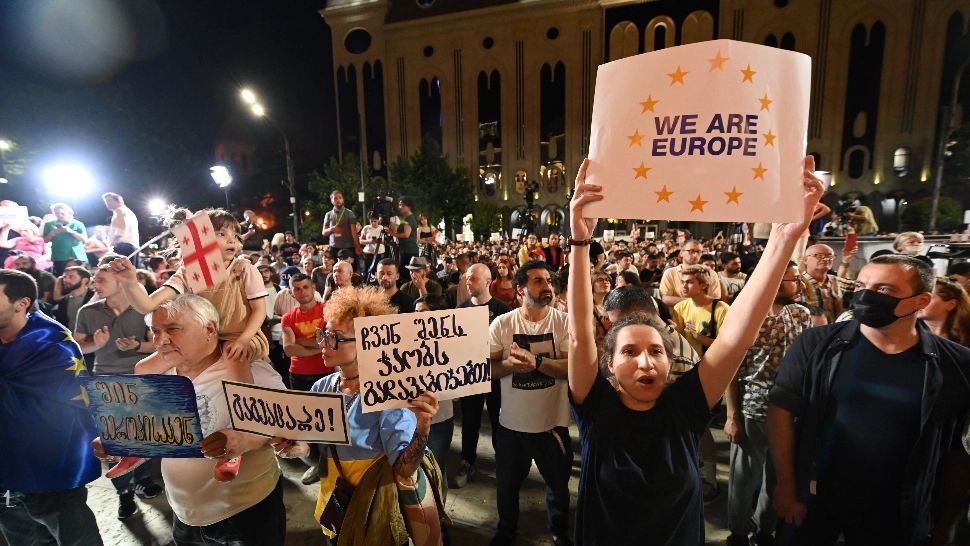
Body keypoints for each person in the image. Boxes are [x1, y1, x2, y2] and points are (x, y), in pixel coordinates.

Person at [566, 156, 823, 545]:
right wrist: (580, 242)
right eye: (630, 352)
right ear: (608, 363)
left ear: (671, 360)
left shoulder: (684, 407)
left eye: (656, 351)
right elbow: (578, 334)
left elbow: (736, 335)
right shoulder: (595, 409)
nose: (645, 361)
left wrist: (784, 239)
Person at [768, 255, 970, 545]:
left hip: (896, 510)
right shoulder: (816, 345)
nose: (865, 295)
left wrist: (946, 522)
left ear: (920, 301)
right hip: (816, 499)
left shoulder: (957, 365)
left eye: (884, 289)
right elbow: (781, 411)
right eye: (862, 285)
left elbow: (958, 453)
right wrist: (786, 486)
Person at [93, 294, 287, 545]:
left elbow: (285, 427)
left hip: (245, 515)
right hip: (183, 515)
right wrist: (122, 441)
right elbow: (157, 432)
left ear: (209, 329)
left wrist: (244, 440)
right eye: (155, 331)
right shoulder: (159, 377)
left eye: (173, 329)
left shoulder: (253, 370)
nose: (160, 340)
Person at [273, 287, 444, 546]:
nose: (322, 343)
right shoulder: (323, 387)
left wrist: (423, 424)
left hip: (375, 514)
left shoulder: (387, 394)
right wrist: (301, 449)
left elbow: (404, 469)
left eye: (334, 337)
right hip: (334, 509)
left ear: (367, 342)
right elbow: (319, 456)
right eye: (323, 334)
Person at [0, 270, 104, 546]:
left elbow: (58, 413)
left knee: (78, 540)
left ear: (21, 303)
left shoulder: (52, 345)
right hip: (5, 473)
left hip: (52, 468)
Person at [724, 262, 811, 546]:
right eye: (792, 279)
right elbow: (732, 368)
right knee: (743, 476)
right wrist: (732, 414)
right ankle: (738, 532)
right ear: (772, 281)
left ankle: (765, 529)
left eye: (799, 278)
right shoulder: (748, 315)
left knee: (777, 474)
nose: (799, 284)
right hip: (752, 406)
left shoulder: (801, 313)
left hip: (790, 409)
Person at [489, 260, 571, 546]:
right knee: (507, 487)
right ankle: (506, 530)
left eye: (549, 280)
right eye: (538, 281)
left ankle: (560, 532)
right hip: (512, 424)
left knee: (559, 486)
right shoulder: (503, 323)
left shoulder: (562, 322)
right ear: (520, 288)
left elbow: (572, 367)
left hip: (553, 424)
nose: (547, 285)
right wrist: (510, 365)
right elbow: (487, 368)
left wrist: (536, 361)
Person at [74, 265, 161, 519]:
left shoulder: (145, 308)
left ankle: (144, 479)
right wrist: (95, 343)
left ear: (121, 281)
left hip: (141, 377)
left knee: (144, 434)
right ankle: (124, 493)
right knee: (114, 440)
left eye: (100, 280)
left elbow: (157, 344)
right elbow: (79, 346)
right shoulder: (88, 311)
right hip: (105, 380)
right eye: (93, 280)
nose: (94, 284)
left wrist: (138, 345)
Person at [454, 263, 510, 488]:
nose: (468, 282)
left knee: (500, 420)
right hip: (471, 376)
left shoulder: (502, 309)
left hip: (496, 376)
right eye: (467, 278)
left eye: (474, 278)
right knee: (469, 421)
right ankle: (467, 461)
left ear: (488, 282)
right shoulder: (461, 309)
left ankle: (504, 460)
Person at [281, 273, 334, 485]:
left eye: (305, 287)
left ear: (313, 287)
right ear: (291, 292)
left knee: (330, 423)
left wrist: (302, 342)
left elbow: (329, 341)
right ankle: (316, 464)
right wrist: (317, 344)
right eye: (297, 289)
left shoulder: (327, 310)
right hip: (298, 376)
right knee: (307, 424)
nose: (302, 292)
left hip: (326, 373)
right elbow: (288, 348)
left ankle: (330, 463)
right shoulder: (288, 317)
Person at [659, 239, 722, 306]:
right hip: (677, 315)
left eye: (698, 252)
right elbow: (665, 299)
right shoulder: (670, 273)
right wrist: (695, 301)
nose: (695, 255)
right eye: (691, 251)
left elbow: (715, 298)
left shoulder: (711, 273)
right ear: (681, 253)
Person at [917, 277, 970, 345]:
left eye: (929, 297)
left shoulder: (964, 339)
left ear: (951, 305)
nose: (920, 302)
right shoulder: (908, 330)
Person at [798, 243, 843, 323]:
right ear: (805, 260)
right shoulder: (798, 284)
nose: (826, 259)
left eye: (830, 256)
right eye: (819, 255)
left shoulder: (836, 281)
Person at [43, 203, 88, 276]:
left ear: (68, 213)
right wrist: (52, 233)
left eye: (62, 213)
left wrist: (71, 231)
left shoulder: (78, 224)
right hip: (59, 257)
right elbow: (45, 240)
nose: (59, 215)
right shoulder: (49, 224)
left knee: (80, 277)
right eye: (57, 213)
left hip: (77, 256)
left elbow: (84, 240)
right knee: (61, 278)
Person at [51, 265, 95, 332]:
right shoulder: (64, 301)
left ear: (85, 281)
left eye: (71, 277)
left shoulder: (95, 298)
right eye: (64, 277)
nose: (66, 280)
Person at [387, 196, 419, 282]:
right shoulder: (406, 218)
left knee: (405, 275)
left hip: (409, 251)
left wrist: (391, 233)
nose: (399, 207)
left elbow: (406, 234)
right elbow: (400, 229)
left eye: (402, 205)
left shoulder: (409, 218)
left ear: (409, 207)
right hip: (406, 250)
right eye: (399, 205)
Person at [102, 192, 140, 262]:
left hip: (123, 246)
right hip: (132, 245)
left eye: (110, 200)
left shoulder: (119, 211)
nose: (107, 203)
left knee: (122, 271)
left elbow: (121, 230)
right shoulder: (127, 211)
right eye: (106, 201)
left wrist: (113, 243)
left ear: (118, 200)